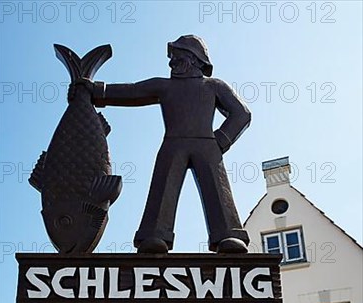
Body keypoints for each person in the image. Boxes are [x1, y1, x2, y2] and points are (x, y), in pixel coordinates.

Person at [71, 35, 251, 253]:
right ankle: (154, 235)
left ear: (194, 58)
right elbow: (133, 91)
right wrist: (96, 90)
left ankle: (229, 234)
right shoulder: (164, 86)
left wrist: (221, 140)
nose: (171, 62)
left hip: (207, 145)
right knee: (163, 187)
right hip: (173, 143)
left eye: (177, 56)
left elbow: (241, 114)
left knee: (217, 188)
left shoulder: (214, 86)